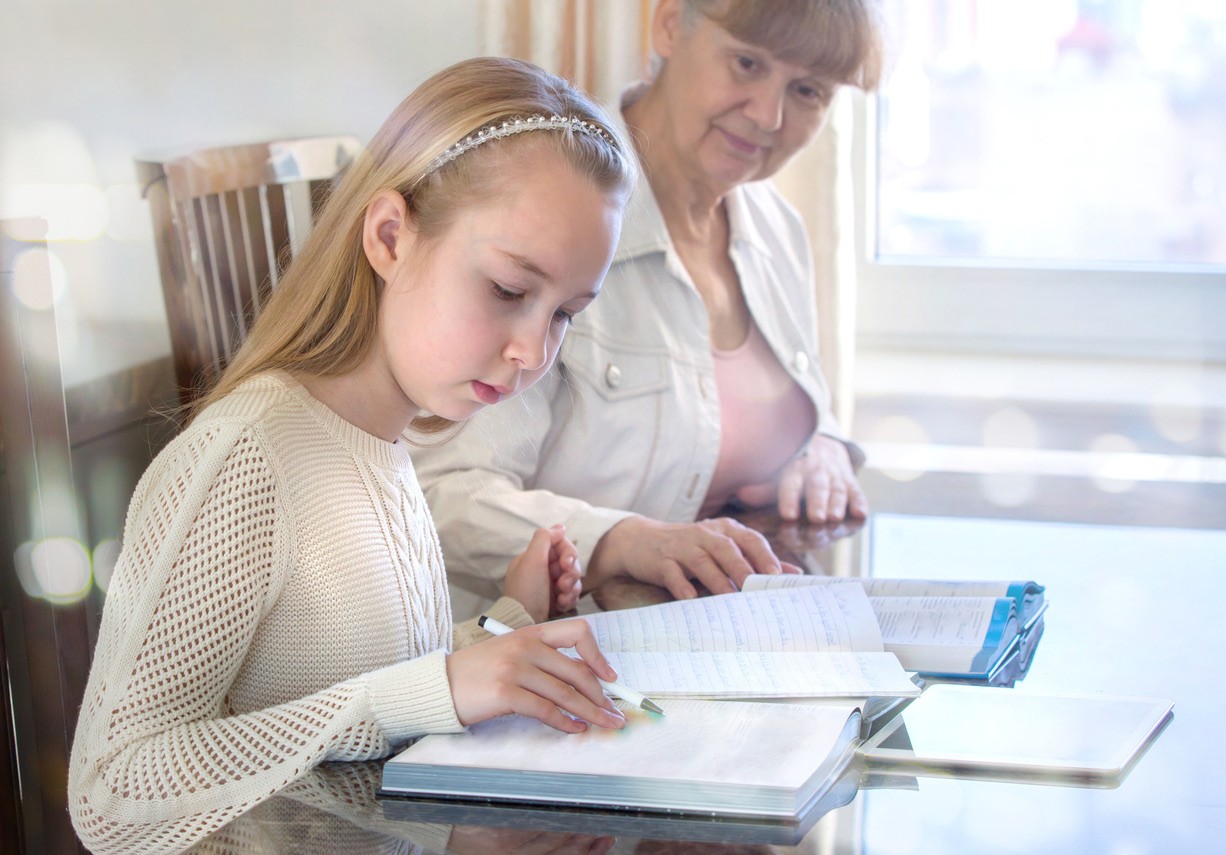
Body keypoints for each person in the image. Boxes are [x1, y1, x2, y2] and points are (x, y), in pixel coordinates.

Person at [67, 56, 637, 854]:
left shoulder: (384, 442)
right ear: (390, 237)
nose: (531, 351)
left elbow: (353, 691)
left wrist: (505, 626)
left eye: (566, 314)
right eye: (510, 290)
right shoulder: (247, 459)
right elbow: (112, 790)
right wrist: (437, 687)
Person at [412, 0, 884, 620]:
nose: (769, 115)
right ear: (667, 25)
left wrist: (817, 442)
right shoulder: (555, 211)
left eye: (808, 91)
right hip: (549, 643)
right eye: (746, 63)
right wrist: (617, 541)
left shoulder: (778, 230)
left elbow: (777, 405)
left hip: (711, 624)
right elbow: (439, 491)